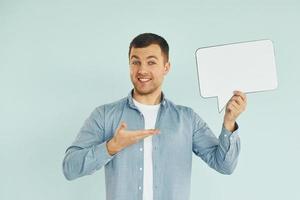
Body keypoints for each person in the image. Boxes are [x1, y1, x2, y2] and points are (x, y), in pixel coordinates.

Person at [62, 33, 247, 200]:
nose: (142, 70)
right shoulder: (104, 115)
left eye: (151, 62)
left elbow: (225, 166)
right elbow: (70, 168)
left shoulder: (187, 119)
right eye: (135, 62)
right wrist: (112, 147)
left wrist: (229, 122)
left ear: (166, 67)